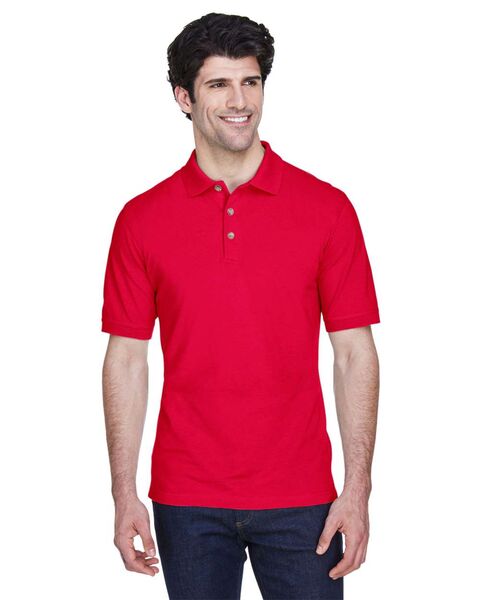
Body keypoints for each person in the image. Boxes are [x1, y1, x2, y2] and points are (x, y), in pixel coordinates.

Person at [101, 12, 380, 600]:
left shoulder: (327, 209)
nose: (239, 101)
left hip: (303, 497)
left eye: (250, 82)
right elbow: (126, 359)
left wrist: (358, 489)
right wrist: (123, 492)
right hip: (186, 498)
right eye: (218, 84)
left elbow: (355, 354)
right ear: (184, 97)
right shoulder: (141, 220)